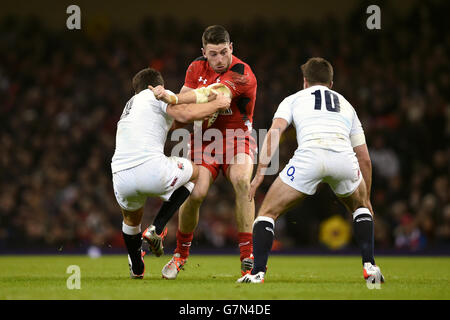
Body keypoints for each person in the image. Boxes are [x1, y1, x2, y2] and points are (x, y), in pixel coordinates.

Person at [237, 57, 385, 284]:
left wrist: (259, 175)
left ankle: (257, 273)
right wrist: (367, 198)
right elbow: (364, 158)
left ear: (305, 81)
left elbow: (275, 133)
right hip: (343, 158)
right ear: (331, 84)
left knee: (267, 213)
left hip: (310, 157)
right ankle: (370, 267)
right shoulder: (346, 104)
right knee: (360, 209)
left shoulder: (293, 99)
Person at [150, 25, 258, 279]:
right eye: (213, 54)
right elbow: (187, 99)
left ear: (231, 48)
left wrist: (172, 97)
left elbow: (210, 95)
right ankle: (180, 255)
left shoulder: (242, 73)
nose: (219, 60)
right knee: (194, 193)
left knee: (243, 182)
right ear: (204, 53)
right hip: (203, 141)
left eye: (223, 52)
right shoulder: (195, 67)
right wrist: (173, 106)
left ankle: (247, 256)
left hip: (237, 139)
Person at [111, 68, 230, 279]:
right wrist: (216, 105)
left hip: (120, 175)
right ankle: (157, 227)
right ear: (155, 85)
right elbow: (183, 113)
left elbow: (174, 123)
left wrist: (199, 114)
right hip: (150, 169)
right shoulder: (154, 94)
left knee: (131, 220)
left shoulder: (131, 105)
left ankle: (137, 268)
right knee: (198, 173)